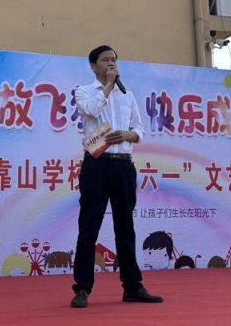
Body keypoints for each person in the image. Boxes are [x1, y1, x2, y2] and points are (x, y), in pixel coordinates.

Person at [69, 45, 163, 308]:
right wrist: (109, 85)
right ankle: (82, 288)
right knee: (89, 226)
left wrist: (127, 135)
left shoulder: (127, 95)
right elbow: (91, 111)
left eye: (114, 60)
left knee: (125, 227)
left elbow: (139, 130)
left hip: (123, 165)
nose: (112, 63)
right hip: (97, 165)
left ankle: (132, 287)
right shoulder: (84, 91)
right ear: (93, 65)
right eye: (105, 60)